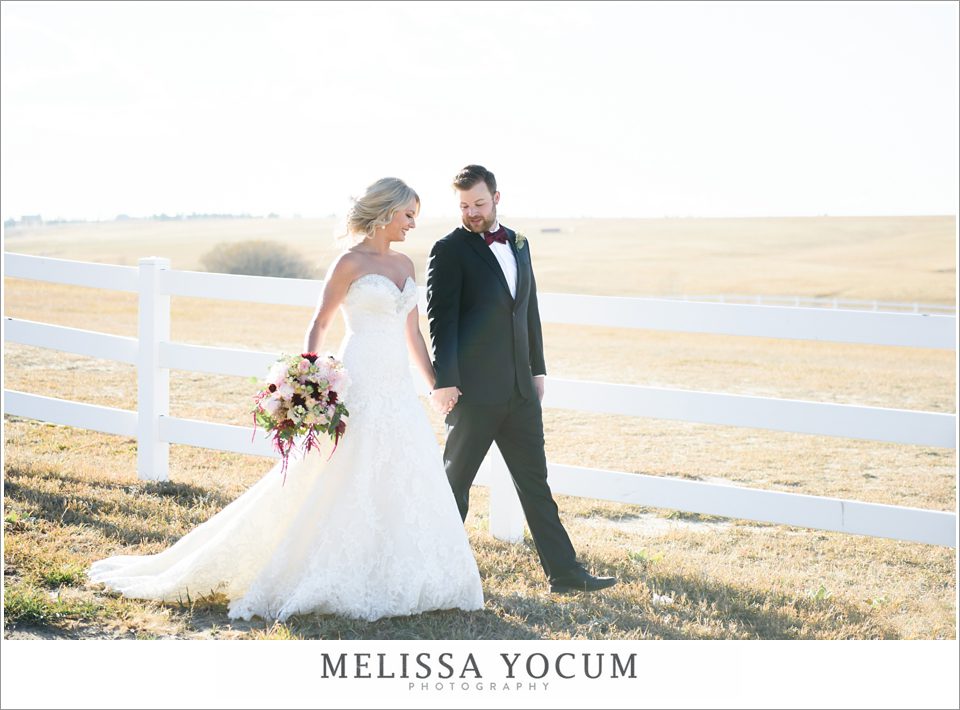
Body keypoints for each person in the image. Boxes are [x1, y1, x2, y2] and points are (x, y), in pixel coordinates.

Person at [88, 177, 484, 622]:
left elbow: (412, 332)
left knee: (403, 468)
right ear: (386, 212)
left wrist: (433, 381)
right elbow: (320, 323)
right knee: (340, 470)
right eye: (408, 215)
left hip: (396, 384)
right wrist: (313, 380)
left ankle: (402, 571)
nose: (413, 224)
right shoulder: (349, 263)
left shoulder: (407, 266)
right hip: (361, 378)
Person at [426, 165, 617, 594]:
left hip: (520, 393)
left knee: (535, 485)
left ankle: (565, 574)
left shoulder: (519, 242)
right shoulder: (448, 250)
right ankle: (433, 573)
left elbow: (527, 308)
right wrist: (446, 380)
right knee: (454, 487)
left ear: (497, 198)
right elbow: (442, 320)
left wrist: (537, 369)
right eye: (463, 206)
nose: (472, 213)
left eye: (478, 203)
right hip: (473, 394)